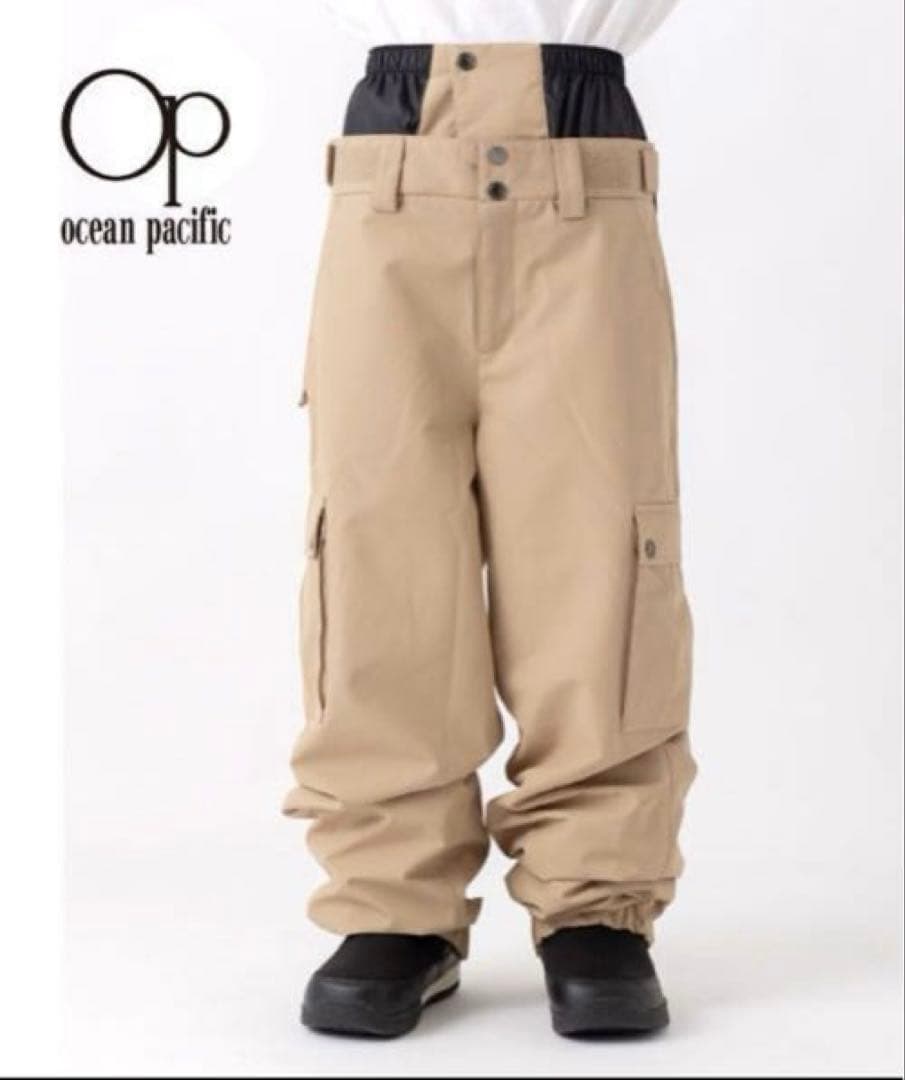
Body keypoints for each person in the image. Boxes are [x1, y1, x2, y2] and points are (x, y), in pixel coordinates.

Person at [284, 0, 696, 1039]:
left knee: (598, 548)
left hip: (581, 141)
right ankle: (393, 903)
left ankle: (594, 903)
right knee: (378, 546)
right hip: (392, 151)